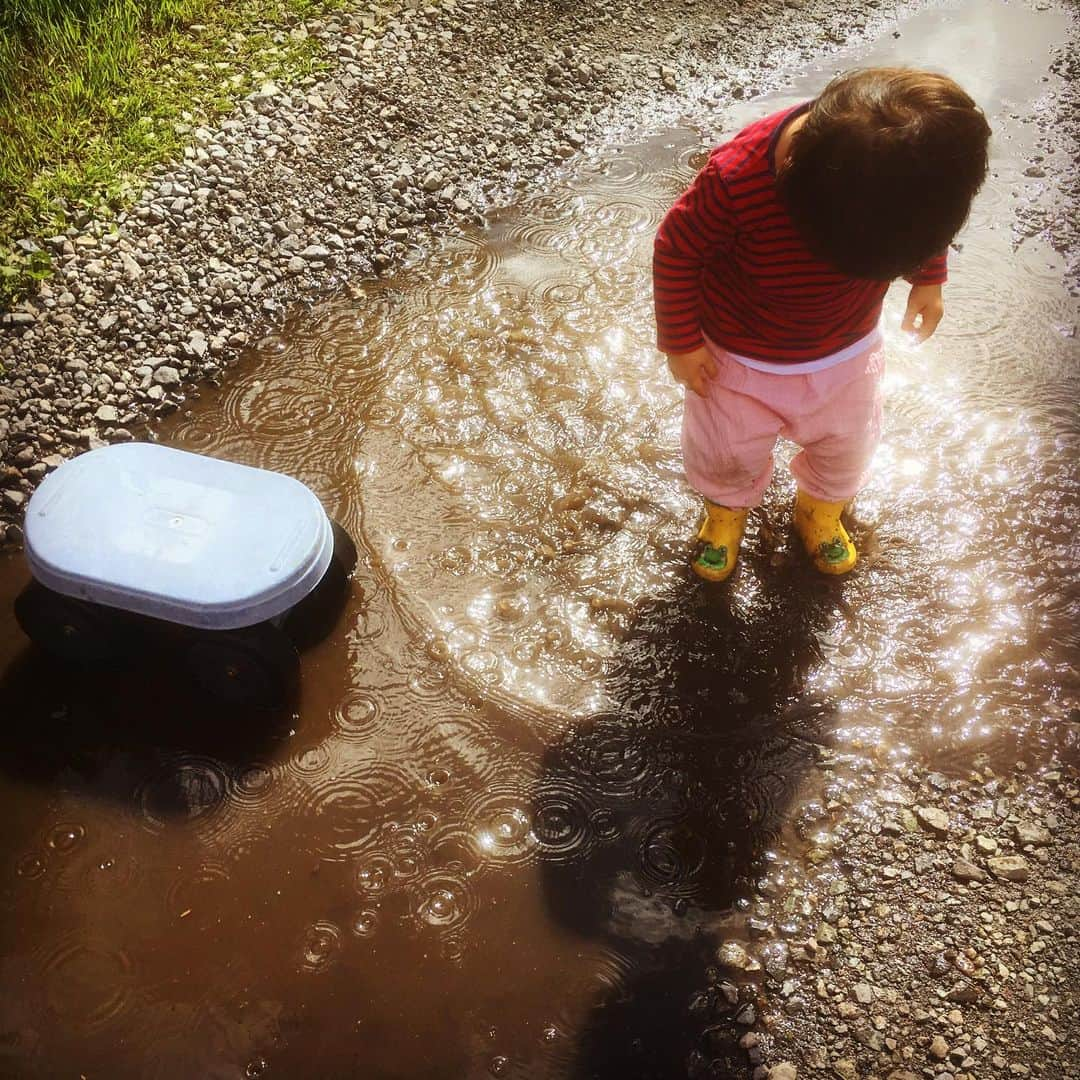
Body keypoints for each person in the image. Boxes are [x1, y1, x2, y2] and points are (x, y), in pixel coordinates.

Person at [653, 67, 991, 580]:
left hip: (847, 352)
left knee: (848, 445)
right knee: (725, 448)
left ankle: (820, 510)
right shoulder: (735, 180)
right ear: (796, 188)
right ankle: (725, 510)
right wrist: (680, 342)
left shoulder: (913, 172)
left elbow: (926, 219)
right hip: (737, 356)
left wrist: (930, 276)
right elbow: (677, 250)